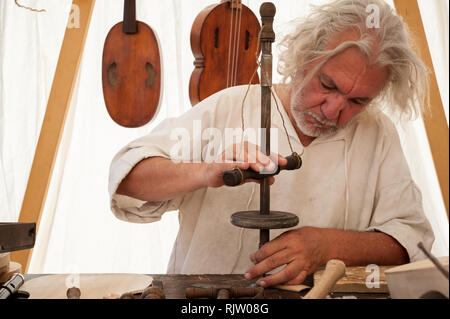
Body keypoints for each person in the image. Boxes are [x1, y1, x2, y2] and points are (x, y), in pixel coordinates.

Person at [108, 0, 434, 288]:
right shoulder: (228, 107)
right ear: (305, 56)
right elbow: (129, 180)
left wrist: (327, 245)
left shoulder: (377, 133)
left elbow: (410, 238)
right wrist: (206, 171)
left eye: (358, 100)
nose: (334, 110)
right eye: (327, 85)